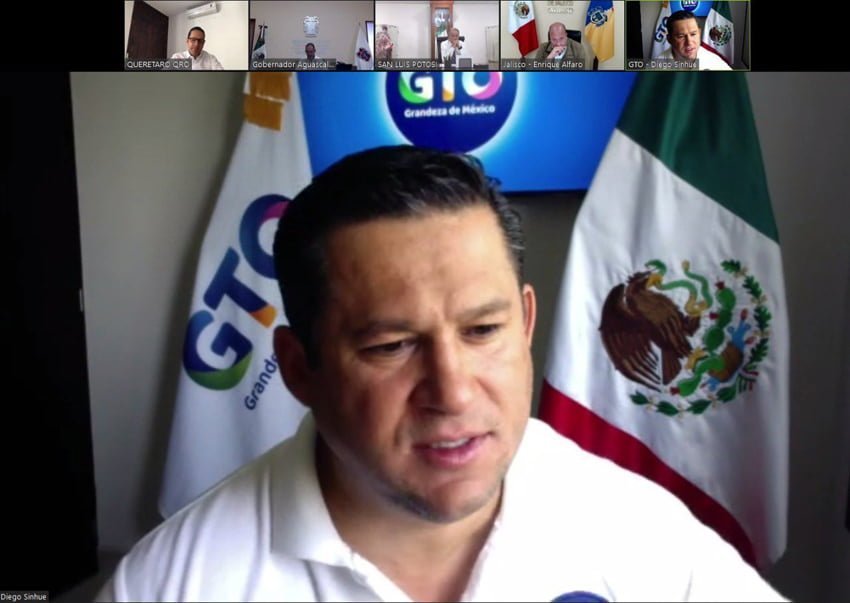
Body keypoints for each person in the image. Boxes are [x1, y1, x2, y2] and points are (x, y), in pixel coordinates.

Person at [96, 146, 787, 602]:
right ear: (300, 368)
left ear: (525, 323)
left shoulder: (642, 534)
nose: (453, 392)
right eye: (392, 345)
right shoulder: (170, 584)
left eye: (483, 331)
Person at [659, 10, 732, 70]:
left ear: (699, 33)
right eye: (681, 36)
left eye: (693, 34)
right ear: (669, 39)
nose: (689, 42)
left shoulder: (715, 62)